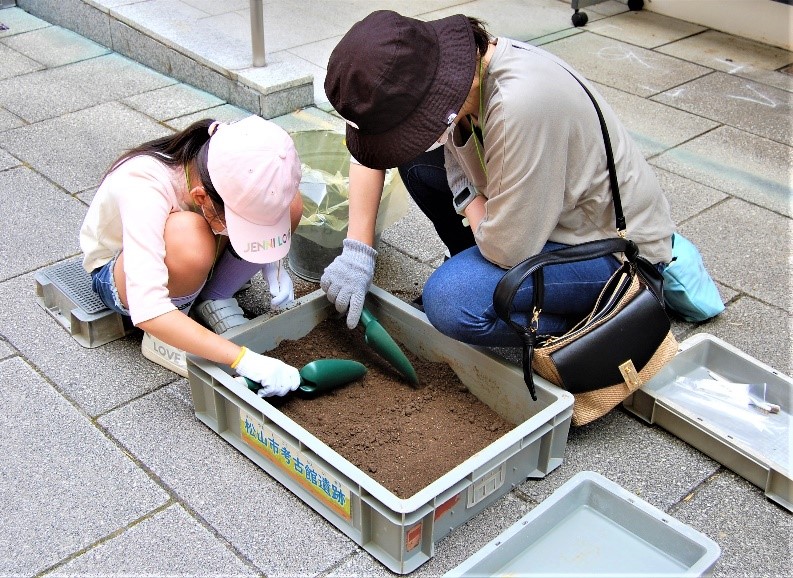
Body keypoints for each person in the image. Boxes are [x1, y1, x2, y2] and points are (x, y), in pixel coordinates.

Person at [320, 10, 675, 346]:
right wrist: (358, 252)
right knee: (415, 161)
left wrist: (468, 199)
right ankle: (485, 274)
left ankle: (596, 324)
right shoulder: (447, 69)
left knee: (450, 300)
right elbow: (371, 151)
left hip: (610, 251)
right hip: (538, 216)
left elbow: (508, 250)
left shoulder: (519, 106)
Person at [80, 115, 303, 396]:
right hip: (124, 274)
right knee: (190, 235)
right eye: (240, 223)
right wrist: (243, 359)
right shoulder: (143, 185)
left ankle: (215, 296)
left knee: (290, 205)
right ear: (201, 198)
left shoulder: (230, 153)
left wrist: (271, 261)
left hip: (195, 253)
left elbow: (270, 201)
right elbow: (147, 307)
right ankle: (167, 334)